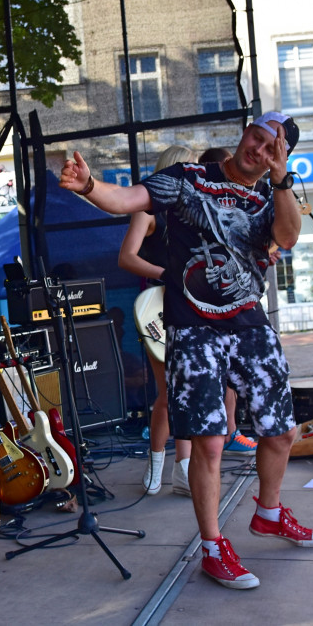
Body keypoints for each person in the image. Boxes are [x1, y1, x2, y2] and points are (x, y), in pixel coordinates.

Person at [61, 111, 313, 591]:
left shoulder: (273, 194)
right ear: (245, 133)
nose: (259, 150)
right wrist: (88, 186)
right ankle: (212, 546)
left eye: (273, 148)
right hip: (196, 328)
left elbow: (287, 236)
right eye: (257, 138)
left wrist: (283, 179)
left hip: (249, 324)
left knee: (282, 431)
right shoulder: (188, 179)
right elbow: (127, 200)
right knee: (209, 443)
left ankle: (268, 512)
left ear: (281, 158)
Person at [119, 145, 256, 498]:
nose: (199, 174)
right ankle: (156, 462)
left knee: (189, 392)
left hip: (196, 306)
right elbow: (127, 257)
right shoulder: (148, 208)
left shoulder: (196, 208)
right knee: (166, 393)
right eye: (190, 167)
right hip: (160, 305)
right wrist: (169, 274)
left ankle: (183, 470)